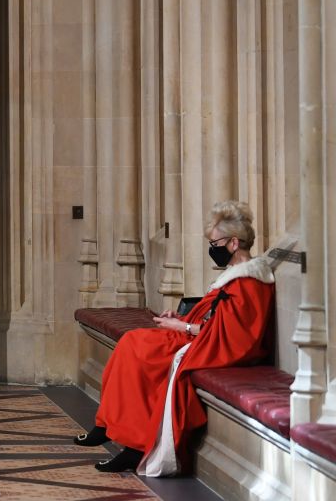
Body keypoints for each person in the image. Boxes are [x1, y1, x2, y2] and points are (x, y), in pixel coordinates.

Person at [76, 200, 275, 476]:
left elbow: (231, 336)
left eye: (214, 243)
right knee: (132, 343)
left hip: (211, 348)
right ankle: (107, 425)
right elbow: (214, 318)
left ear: (233, 243)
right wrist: (182, 318)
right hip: (199, 338)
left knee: (139, 350)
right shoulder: (238, 275)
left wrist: (181, 328)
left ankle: (133, 445)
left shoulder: (248, 282)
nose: (211, 249)